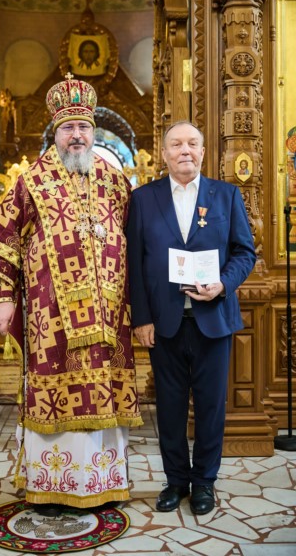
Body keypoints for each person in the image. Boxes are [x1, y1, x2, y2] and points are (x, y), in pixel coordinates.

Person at [0, 73, 143, 517]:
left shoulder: (115, 180)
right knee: (54, 397)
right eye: (68, 128)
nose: (77, 135)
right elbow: (2, 241)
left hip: (108, 316)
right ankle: (51, 487)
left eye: (83, 126)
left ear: (93, 130)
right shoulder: (31, 181)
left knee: (104, 393)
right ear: (55, 132)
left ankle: (103, 483)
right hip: (52, 320)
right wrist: (4, 297)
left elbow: (138, 240)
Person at [126, 121, 256, 516]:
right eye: (177, 144)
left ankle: (204, 483)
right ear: (164, 153)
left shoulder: (226, 195)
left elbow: (245, 252)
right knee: (169, 408)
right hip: (164, 323)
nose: (185, 150)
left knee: (211, 407)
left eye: (192, 143)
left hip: (213, 319)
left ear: (202, 151)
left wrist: (222, 284)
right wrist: (141, 319)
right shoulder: (143, 198)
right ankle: (175, 481)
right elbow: (135, 263)